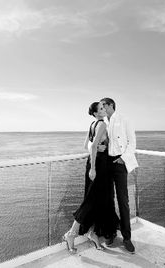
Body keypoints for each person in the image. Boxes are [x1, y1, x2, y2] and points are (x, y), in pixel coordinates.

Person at [62, 102, 119, 253]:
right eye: (100, 109)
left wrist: (96, 148)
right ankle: (71, 234)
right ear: (95, 113)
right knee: (91, 200)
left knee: (97, 201)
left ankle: (92, 232)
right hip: (98, 166)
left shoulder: (92, 124)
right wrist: (93, 167)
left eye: (103, 107)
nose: (103, 110)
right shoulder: (101, 124)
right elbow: (92, 146)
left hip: (95, 164)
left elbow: (86, 145)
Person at [100, 97, 138, 254]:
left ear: (110, 105)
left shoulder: (124, 119)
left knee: (123, 200)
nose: (101, 109)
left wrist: (123, 158)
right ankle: (110, 232)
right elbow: (91, 140)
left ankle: (127, 237)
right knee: (108, 199)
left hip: (119, 163)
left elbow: (133, 142)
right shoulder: (102, 121)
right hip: (105, 163)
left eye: (103, 106)